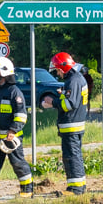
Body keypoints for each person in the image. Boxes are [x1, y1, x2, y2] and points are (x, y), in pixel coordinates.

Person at [0, 57, 34, 197]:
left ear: (4, 73)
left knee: (17, 163)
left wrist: (13, 130)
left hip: (11, 136)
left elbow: (21, 115)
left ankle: (27, 189)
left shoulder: (14, 92)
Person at [44, 52, 89, 195]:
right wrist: (63, 94)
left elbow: (70, 104)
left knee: (71, 157)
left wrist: (53, 102)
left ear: (63, 68)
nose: (57, 73)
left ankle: (75, 189)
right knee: (75, 155)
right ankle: (80, 186)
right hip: (74, 125)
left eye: (57, 70)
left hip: (71, 126)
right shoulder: (76, 78)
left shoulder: (73, 80)